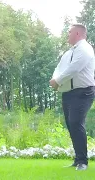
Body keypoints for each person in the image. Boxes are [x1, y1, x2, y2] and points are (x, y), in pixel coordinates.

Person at [50, 23, 95, 171]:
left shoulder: (85, 49)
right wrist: (55, 79)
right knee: (71, 125)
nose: (67, 34)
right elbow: (59, 68)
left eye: (69, 32)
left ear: (77, 33)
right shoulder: (68, 52)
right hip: (68, 93)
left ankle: (83, 162)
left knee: (76, 123)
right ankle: (78, 159)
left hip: (83, 92)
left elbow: (74, 68)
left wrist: (58, 81)